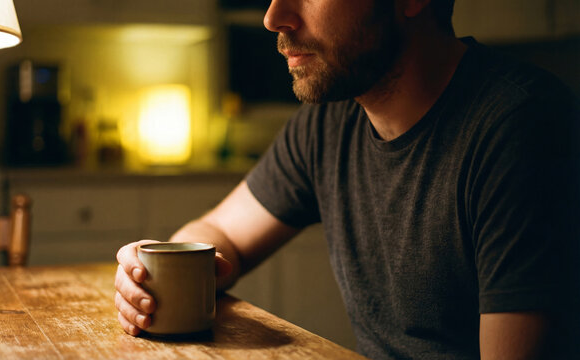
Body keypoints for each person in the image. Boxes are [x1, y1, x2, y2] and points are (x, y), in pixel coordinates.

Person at [115, 0, 580, 358]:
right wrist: (151, 271)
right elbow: (220, 236)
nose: (274, 16)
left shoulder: (523, 130)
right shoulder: (330, 123)